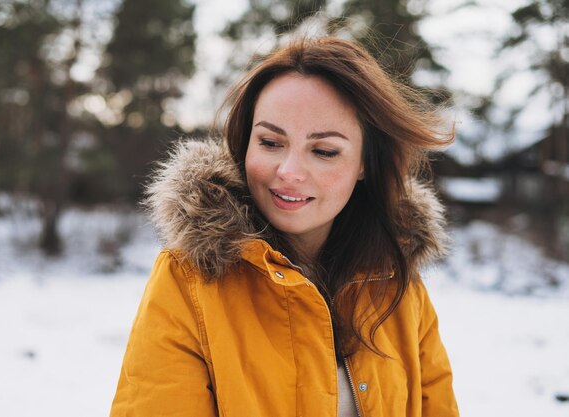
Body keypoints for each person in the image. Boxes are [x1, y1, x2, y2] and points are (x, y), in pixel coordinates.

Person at [110, 36, 459, 417]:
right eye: (271, 142)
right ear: (246, 144)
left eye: (324, 151)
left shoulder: (398, 282)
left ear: (364, 163)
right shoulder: (190, 281)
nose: (289, 172)